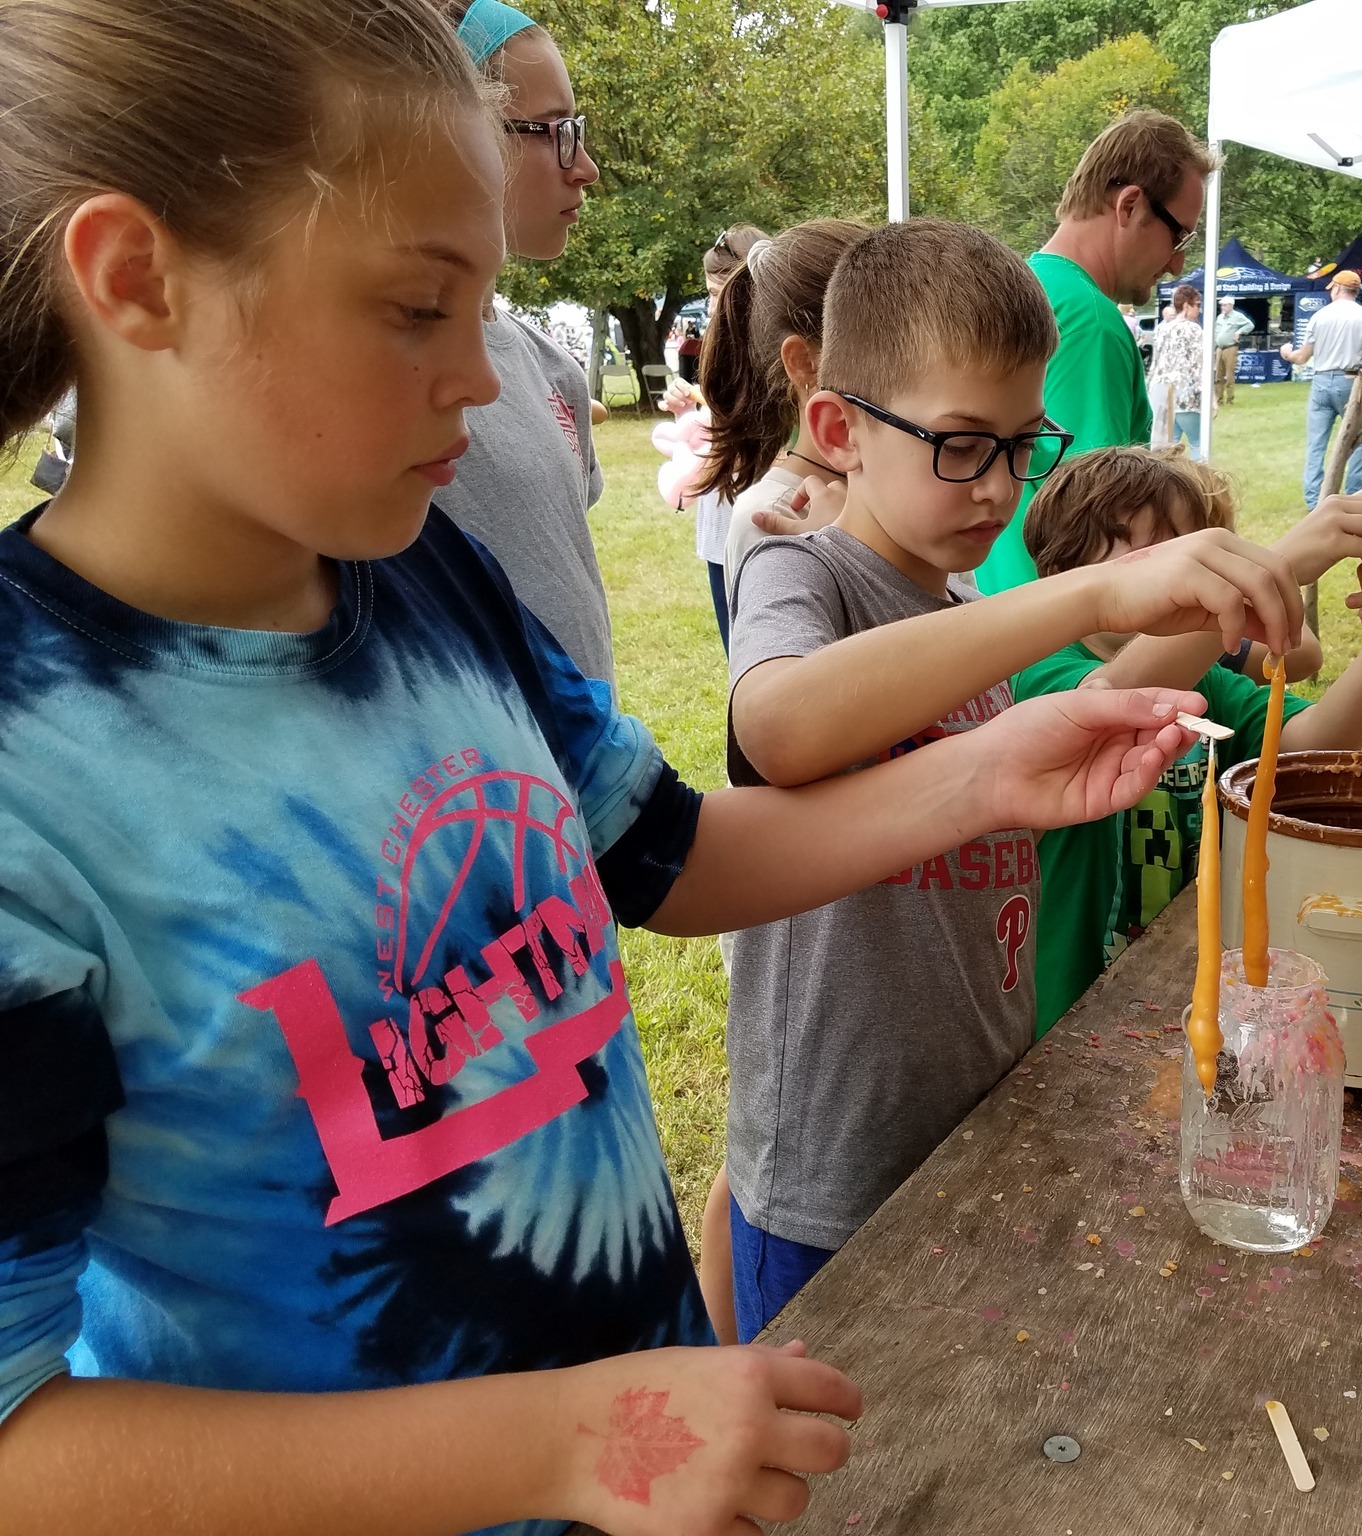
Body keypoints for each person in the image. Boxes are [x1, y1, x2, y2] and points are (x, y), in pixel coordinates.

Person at [0, 7, 1229, 1530]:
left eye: (485, 309)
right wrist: (561, 1443)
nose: (481, 378)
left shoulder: (429, 580)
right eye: (416, 308)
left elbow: (670, 858)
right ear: (137, 280)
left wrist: (986, 775)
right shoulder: (29, 777)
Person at [721, 219, 1312, 1342]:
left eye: (1020, 443)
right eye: (960, 445)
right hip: (833, 1166)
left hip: (973, 1112)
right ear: (840, 430)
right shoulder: (800, 575)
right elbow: (778, 730)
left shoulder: (965, 614)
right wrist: (1085, 595)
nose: (996, 485)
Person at [1016, 423, 1362, 1032]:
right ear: (1063, 573)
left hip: (1177, 995)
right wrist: (1277, 562)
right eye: (1156, 559)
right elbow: (1102, 711)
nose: (1185, 582)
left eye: (1193, 556)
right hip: (1065, 1021)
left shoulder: (1201, 680)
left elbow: (1308, 749)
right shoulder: (1039, 675)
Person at [434, 2, 614, 684]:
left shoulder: (553, 368)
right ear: (456, 134)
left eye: (578, 132)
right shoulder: (385, 379)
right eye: (557, 132)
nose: (586, 168)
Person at [974, 110, 1213, 594]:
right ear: (1130, 206)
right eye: (1179, 235)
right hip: (1065, 624)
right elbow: (1103, 523)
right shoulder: (1092, 320)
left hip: (1003, 604)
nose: (1177, 263)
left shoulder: (1024, 288)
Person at [704, 219, 868, 608]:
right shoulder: (771, 519)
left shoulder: (900, 486)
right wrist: (847, 551)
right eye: (883, 342)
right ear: (804, 363)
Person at [670, 223, 766, 652]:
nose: (710, 307)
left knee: (754, 654)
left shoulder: (770, 355)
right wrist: (687, 410)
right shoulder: (720, 349)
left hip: (752, 526)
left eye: (714, 293)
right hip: (721, 524)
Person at [1280, 268, 1362, 509]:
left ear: (1338, 288)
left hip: (1321, 381)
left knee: (1316, 444)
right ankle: (1354, 492)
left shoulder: (1319, 316)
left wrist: (1286, 353)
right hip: (1351, 381)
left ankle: (1314, 502)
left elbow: (1301, 357)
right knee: (1359, 439)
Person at [1149, 283, 1205, 453]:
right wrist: (1211, 397)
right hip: (1185, 394)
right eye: (1197, 305)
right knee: (1197, 442)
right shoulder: (1194, 329)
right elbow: (1199, 365)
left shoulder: (1162, 329)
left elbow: (1155, 363)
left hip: (1160, 393)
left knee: (1167, 446)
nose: (1199, 310)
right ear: (1186, 305)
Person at [1214, 295, 1256, 405]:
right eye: (1221, 305)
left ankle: (1229, 400)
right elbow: (1216, 333)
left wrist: (1239, 332)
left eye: (1224, 305)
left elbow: (1250, 325)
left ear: (1231, 305)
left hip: (1230, 348)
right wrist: (1214, 347)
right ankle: (1218, 399)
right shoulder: (1220, 317)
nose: (1222, 307)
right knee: (1218, 376)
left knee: (1229, 375)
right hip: (1219, 348)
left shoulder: (1237, 316)